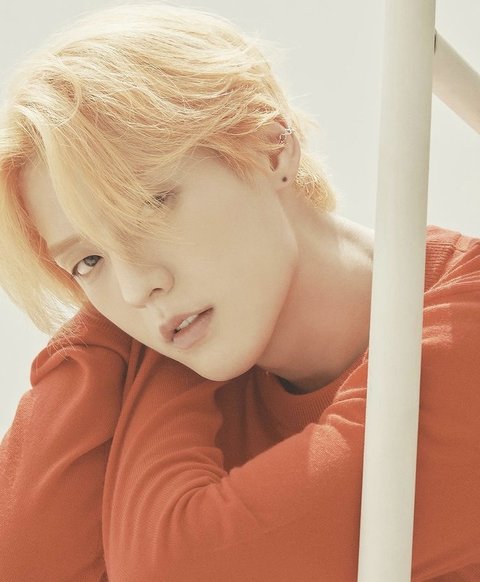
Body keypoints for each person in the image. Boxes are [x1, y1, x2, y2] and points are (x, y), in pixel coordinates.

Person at [0, 3, 479, 581]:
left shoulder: (469, 322)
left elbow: (179, 566)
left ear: (270, 148)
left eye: (149, 205)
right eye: (88, 261)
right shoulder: (193, 416)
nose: (134, 288)